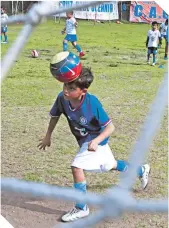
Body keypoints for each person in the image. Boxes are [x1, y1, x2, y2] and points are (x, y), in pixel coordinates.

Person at [38, 65, 150, 222]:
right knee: (109, 165)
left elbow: (110, 127)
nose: (65, 90)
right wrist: (47, 136)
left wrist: (96, 141)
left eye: (71, 88)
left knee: (77, 167)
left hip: (96, 138)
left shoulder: (92, 103)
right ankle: (140, 169)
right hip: (85, 140)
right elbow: (55, 116)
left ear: (83, 91)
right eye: (65, 85)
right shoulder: (62, 99)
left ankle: (81, 207)